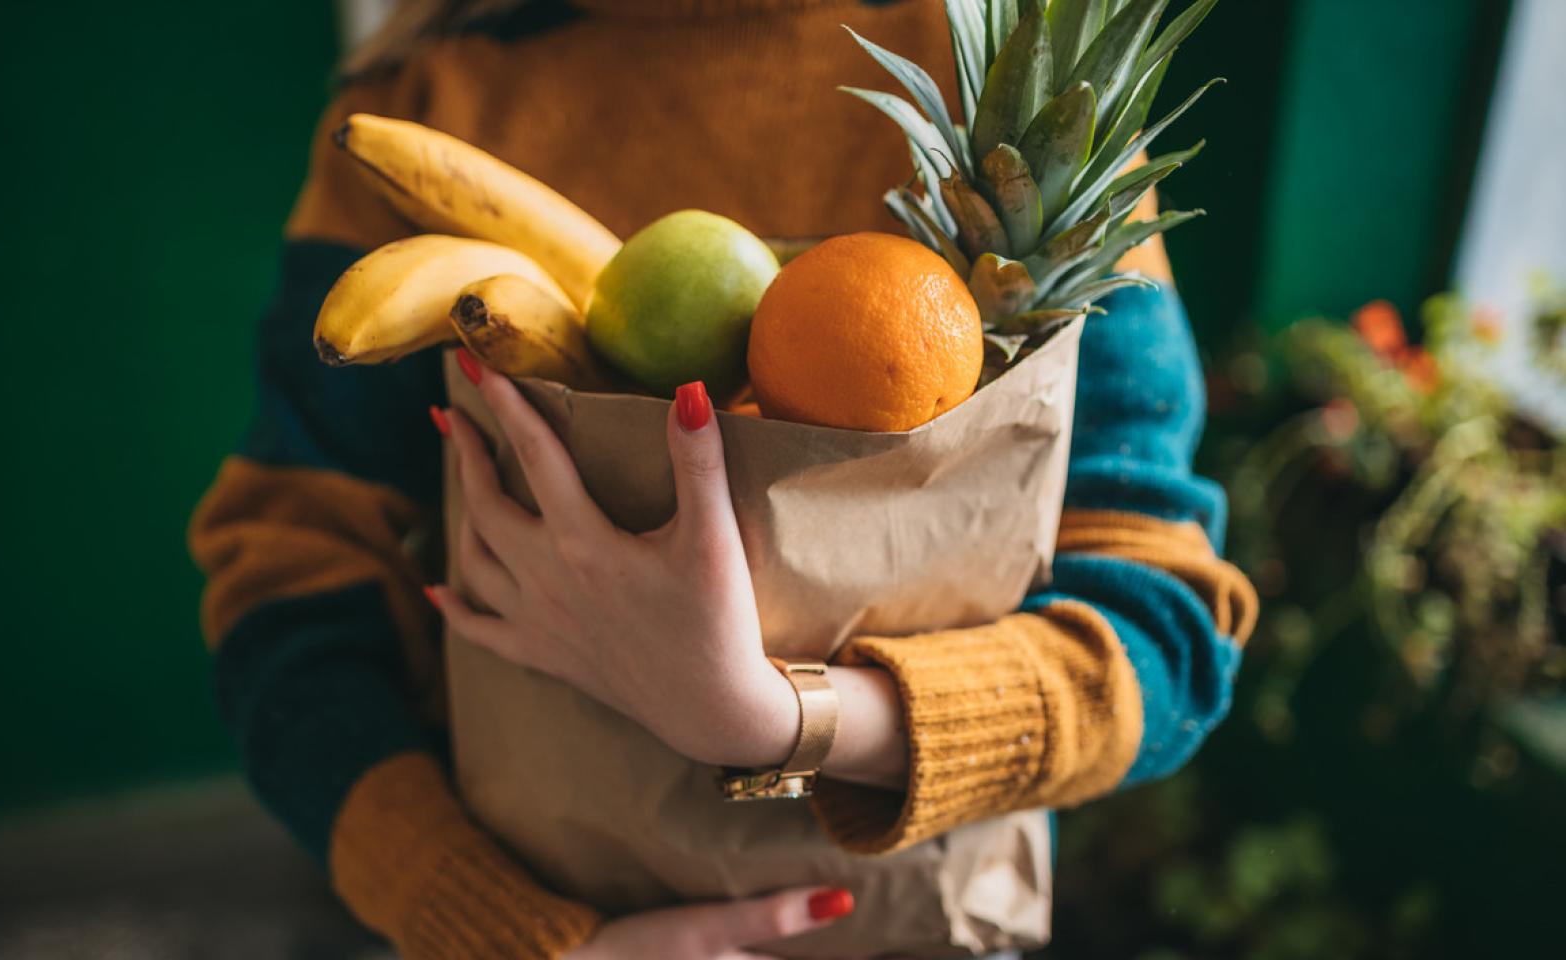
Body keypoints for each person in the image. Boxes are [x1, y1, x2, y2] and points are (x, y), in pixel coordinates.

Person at [188, 1, 1259, 957]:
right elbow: (289, 588)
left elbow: (1164, 626)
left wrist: (766, 719)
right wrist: (494, 928)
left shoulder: (1015, 110)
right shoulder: (423, 98)